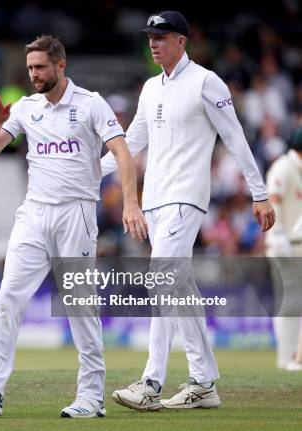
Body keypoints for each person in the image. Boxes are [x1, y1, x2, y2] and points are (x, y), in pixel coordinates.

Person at [0, 35, 148, 419]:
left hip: (74, 214)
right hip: (33, 214)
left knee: (79, 306)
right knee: (9, 295)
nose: (34, 75)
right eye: (30, 68)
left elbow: (122, 152)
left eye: (40, 67)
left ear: (61, 65)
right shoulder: (26, 107)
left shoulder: (91, 104)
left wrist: (130, 202)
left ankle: (91, 397)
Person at [102, 11, 276, 410]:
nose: (153, 43)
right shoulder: (149, 88)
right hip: (155, 202)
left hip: (186, 198)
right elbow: (130, 145)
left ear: (182, 41)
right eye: (150, 37)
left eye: (161, 36)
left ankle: (152, 382)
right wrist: (88, 170)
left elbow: (235, 137)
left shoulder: (205, 81)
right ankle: (203, 383)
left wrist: (259, 193)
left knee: (162, 278)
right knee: (178, 289)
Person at [266, 126, 302, 371]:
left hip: (297, 246)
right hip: (284, 244)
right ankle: (286, 357)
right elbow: (272, 200)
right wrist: (277, 234)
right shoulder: (284, 167)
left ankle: (294, 356)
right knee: (290, 301)